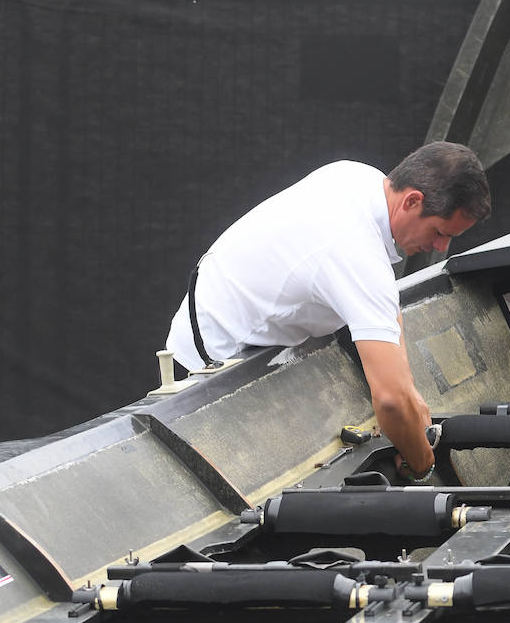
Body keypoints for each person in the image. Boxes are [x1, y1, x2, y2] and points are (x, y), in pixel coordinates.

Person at [165, 141, 490, 483]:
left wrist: (412, 392)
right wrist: (422, 465)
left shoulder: (359, 178)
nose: (441, 247)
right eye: (440, 232)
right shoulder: (356, 252)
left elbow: (383, 311)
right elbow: (391, 400)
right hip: (206, 371)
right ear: (412, 201)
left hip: (222, 322)